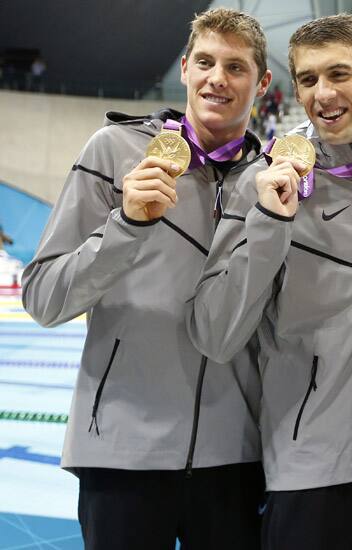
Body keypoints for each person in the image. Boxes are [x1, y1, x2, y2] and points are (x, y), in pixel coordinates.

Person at [21, 8, 272, 549]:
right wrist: (127, 224)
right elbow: (42, 297)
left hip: (235, 460)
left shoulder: (274, 182)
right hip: (121, 455)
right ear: (184, 69)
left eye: (235, 67)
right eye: (205, 62)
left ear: (263, 82)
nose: (217, 79)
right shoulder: (114, 152)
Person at [186, 14, 352, 550]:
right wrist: (270, 224)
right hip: (310, 476)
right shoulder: (265, 179)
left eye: (338, 74)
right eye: (308, 79)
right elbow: (215, 334)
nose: (323, 94)